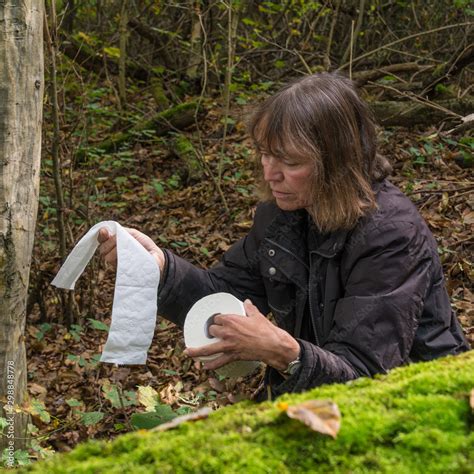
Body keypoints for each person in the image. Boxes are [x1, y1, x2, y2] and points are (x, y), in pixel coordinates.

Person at [98, 73, 470, 400]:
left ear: (337, 163)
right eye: (265, 154)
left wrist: (283, 352)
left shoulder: (391, 235)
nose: (270, 173)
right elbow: (224, 296)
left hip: (424, 404)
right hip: (322, 395)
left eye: (290, 162)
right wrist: (160, 268)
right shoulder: (283, 216)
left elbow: (367, 377)